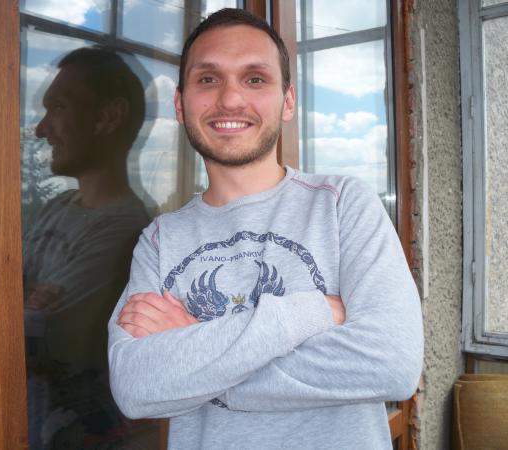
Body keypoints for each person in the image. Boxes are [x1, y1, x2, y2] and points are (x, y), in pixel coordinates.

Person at [108, 8, 423, 450]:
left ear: (288, 101)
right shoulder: (161, 240)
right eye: (208, 79)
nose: (231, 99)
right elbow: (136, 388)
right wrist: (307, 313)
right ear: (180, 104)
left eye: (255, 79)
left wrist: (196, 357)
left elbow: (392, 364)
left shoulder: (341, 204)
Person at [23, 46, 154, 449]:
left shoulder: (126, 231)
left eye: (59, 107)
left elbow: (39, 338)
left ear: (109, 117)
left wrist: (23, 305)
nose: (40, 129)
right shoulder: (57, 207)